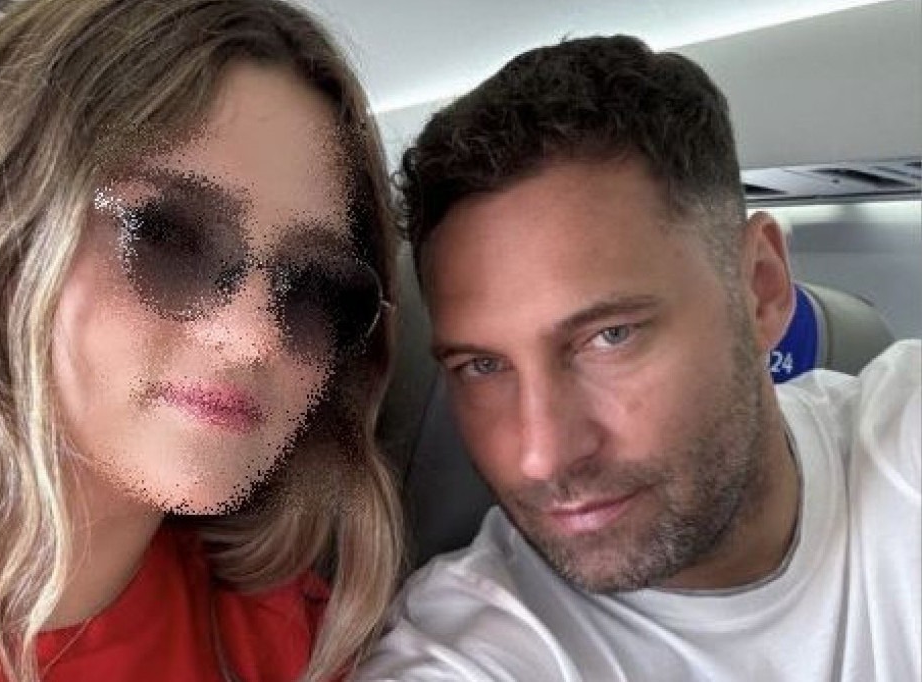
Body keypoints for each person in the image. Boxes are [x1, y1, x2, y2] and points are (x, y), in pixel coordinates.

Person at [356, 35, 920, 681]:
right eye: (482, 366)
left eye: (610, 336)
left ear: (760, 287)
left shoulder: (901, 449)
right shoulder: (473, 649)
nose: (543, 456)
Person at [0, 1, 403, 680]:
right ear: (0, 233)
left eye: (318, 289)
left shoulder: (296, 649)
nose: (253, 338)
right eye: (169, 238)